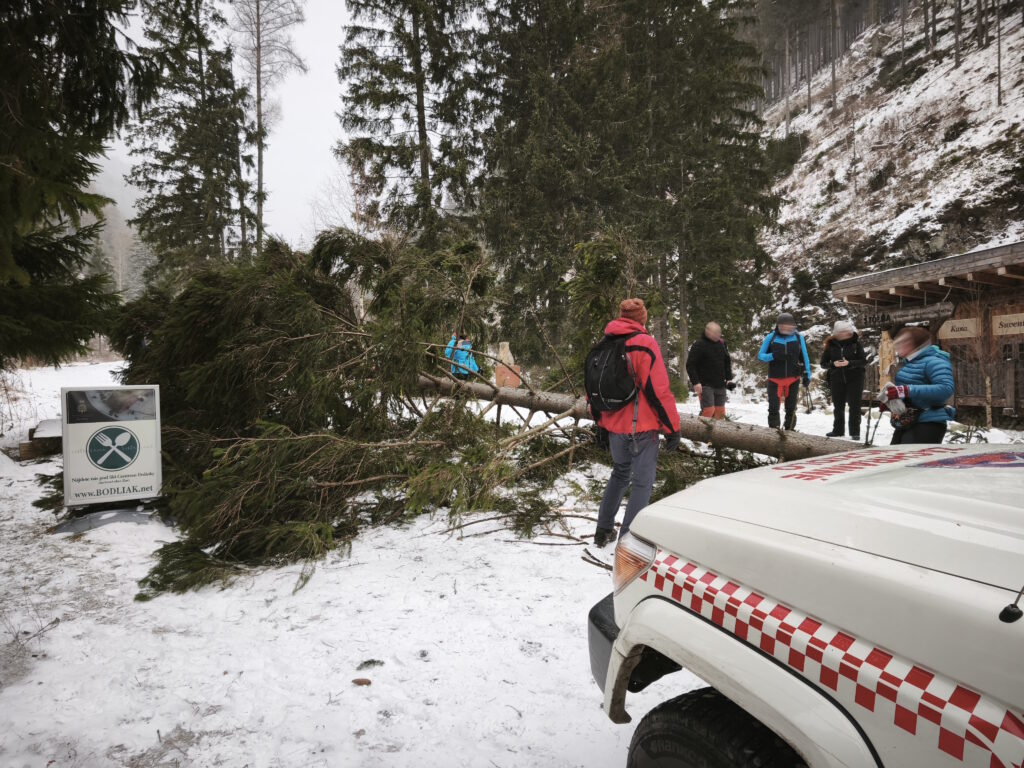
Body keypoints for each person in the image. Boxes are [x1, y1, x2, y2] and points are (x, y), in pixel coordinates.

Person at [592, 298, 682, 548]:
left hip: (613, 426)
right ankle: (628, 543)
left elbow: (593, 388)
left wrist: (600, 422)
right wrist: (672, 428)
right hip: (640, 428)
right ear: (641, 318)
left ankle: (602, 530)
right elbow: (659, 391)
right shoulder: (644, 344)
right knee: (642, 482)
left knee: (619, 473)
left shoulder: (605, 343)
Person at [878, 325, 954, 444]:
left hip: (928, 424)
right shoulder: (909, 362)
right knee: (896, 458)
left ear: (915, 344)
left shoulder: (935, 361)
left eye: (902, 342)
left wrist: (906, 390)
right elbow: (910, 392)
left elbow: (945, 389)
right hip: (908, 421)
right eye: (896, 342)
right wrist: (891, 402)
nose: (896, 346)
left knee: (911, 461)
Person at [757, 312, 812, 430]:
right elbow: (760, 356)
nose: (786, 328)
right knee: (773, 408)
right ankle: (774, 432)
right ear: (778, 326)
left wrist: (807, 374)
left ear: (793, 326)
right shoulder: (771, 337)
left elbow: (805, 356)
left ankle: (790, 431)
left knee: (791, 409)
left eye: (789, 325)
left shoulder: (798, 337)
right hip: (775, 379)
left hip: (793, 378)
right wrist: (773, 355)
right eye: (783, 326)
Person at [820, 320, 867, 439]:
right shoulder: (830, 345)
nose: (844, 334)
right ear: (836, 333)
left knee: (854, 406)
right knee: (838, 406)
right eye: (841, 332)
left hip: (855, 378)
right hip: (836, 379)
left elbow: (863, 361)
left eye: (846, 332)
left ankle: (855, 432)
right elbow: (823, 363)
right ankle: (838, 430)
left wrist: (849, 363)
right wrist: (834, 364)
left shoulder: (856, 344)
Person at [685, 321, 735, 419]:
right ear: (707, 332)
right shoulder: (699, 345)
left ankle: (719, 434)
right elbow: (690, 365)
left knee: (720, 413)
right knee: (709, 410)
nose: (718, 335)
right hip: (705, 385)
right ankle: (700, 433)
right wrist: (696, 382)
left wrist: (729, 378)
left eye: (719, 332)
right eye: (715, 332)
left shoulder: (722, 343)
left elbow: (727, 361)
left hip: (720, 384)